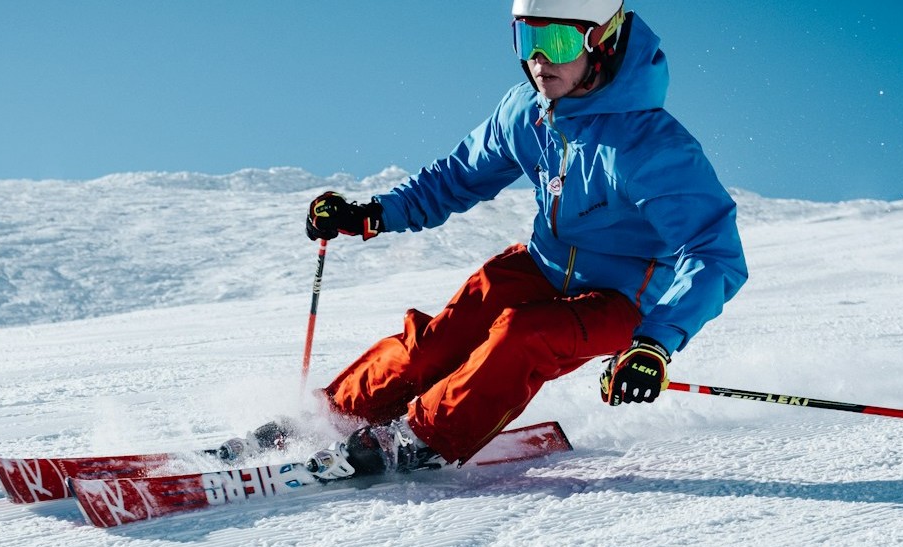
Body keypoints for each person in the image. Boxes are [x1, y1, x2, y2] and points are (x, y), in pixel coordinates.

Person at [300, 0, 748, 479]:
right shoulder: (526, 112)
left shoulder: (650, 145)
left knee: (522, 334)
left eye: (556, 42)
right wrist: (371, 213)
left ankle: (420, 439)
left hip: (623, 299)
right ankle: (330, 418)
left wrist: (654, 343)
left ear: (602, 41)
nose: (539, 60)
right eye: (526, 40)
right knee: (436, 344)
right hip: (541, 265)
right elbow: (455, 178)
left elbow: (713, 254)